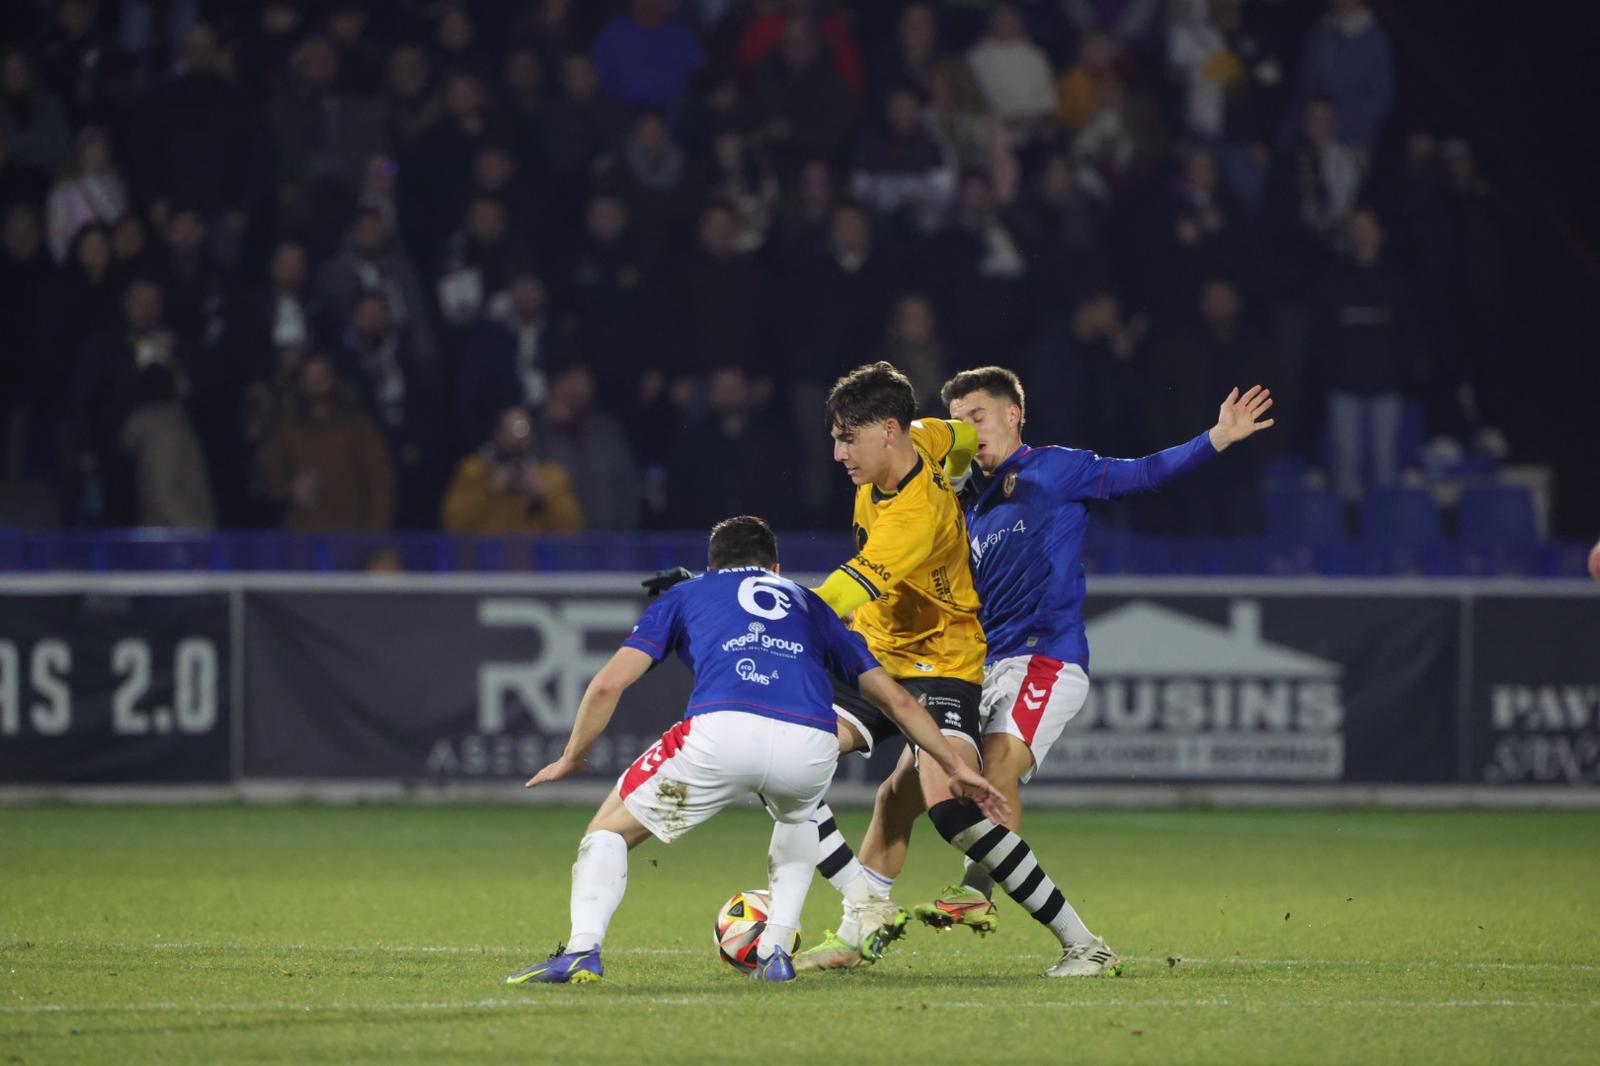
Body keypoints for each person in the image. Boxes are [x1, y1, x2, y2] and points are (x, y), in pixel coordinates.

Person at [504, 515, 1008, 985]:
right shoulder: (812, 604)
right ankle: (775, 954)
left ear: (710, 564)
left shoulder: (686, 594)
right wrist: (953, 763)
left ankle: (581, 949)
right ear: (775, 568)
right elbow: (896, 699)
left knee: (608, 832)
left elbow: (607, 686)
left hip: (722, 734)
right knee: (797, 821)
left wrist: (573, 756)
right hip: (811, 744)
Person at [909, 366, 1273, 951]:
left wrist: (1217, 438)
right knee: (938, 774)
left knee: (997, 762)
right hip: (986, 665)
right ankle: (918, 894)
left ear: (1011, 415)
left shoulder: (1055, 467)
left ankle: (986, 894)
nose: (966, 432)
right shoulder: (969, 509)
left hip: (1046, 658)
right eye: (956, 423)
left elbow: (1144, 474)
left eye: (976, 417)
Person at [795, 362, 1128, 978]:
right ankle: (856, 929)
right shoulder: (927, 436)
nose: (838, 453)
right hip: (881, 656)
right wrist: (963, 467)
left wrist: (766, 615)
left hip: (943, 665)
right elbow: (965, 439)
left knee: (950, 808)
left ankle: (1085, 943)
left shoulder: (913, 520)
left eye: (848, 438)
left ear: (888, 431)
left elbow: (841, 594)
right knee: (803, 759)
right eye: (836, 437)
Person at [441, 405, 583, 534]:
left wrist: (543, 500)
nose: (517, 441)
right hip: (484, 559)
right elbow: (452, 525)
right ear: (497, 434)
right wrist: (489, 492)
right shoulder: (473, 472)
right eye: (509, 431)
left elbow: (572, 530)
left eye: (523, 432)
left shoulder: (551, 476)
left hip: (531, 560)